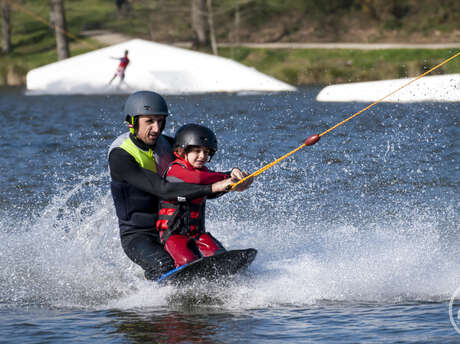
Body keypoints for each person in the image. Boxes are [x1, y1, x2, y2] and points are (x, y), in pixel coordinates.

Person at [108, 90, 251, 280]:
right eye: (149, 121)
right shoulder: (120, 155)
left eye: (160, 121)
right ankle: (151, 299)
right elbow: (163, 190)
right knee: (164, 264)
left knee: (216, 260)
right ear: (132, 122)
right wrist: (215, 187)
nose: (157, 128)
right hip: (139, 235)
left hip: (174, 229)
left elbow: (197, 180)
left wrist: (231, 181)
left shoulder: (169, 144)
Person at [156, 124, 234, 268]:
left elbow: (211, 183)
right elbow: (198, 179)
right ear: (182, 151)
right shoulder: (175, 170)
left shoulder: (205, 172)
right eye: (197, 151)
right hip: (172, 235)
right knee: (187, 261)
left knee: (219, 256)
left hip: (197, 234)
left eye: (206, 152)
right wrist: (228, 175)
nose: (202, 156)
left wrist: (237, 182)